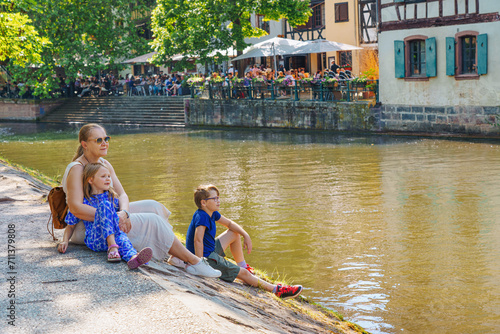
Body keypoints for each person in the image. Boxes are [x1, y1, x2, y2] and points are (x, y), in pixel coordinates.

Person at [58, 123, 221, 278]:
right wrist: (115, 218)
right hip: (86, 228)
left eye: (106, 139)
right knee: (153, 221)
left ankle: (176, 256)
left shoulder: (103, 164)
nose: (104, 143)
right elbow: (76, 208)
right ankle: (195, 262)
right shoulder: (77, 168)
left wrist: (125, 213)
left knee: (154, 206)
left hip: (107, 215)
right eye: (98, 140)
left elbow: (122, 195)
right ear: (84, 144)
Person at [182, 184, 303, 300]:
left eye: (218, 197)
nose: (218, 201)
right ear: (204, 203)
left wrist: (246, 235)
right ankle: (277, 290)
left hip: (209, 250)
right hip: (206, 258)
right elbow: (197, 240)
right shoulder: (202, 216)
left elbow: (229, 224)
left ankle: (243, 265)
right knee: (244, 275)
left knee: (234, 233)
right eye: (214, 198)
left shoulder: (212, 213)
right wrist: (199, 264)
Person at [59, 163, 153, 269]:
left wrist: (126, 217)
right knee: (105, 205)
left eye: (109, 176)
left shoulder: (112, 197)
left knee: (122, 238)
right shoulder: (84, 202)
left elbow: (118, 218)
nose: (108, 179)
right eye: (103, 176)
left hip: (114, 237)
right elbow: (71, 225)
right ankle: (112, 248)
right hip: (96, 240)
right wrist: (65, 240)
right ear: (90, 180)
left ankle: (133, 258)